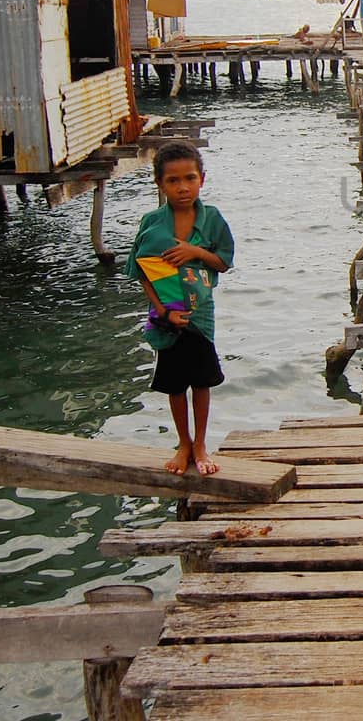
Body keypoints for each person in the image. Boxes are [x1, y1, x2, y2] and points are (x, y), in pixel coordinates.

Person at [126, 142, 236, 477]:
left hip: (200, 315)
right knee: (175, 384)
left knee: (201, 382)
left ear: (202, 179)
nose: (182, 187)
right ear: (159, 184)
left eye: (189, 178)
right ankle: (183, 443)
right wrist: (162, 312)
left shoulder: (212, 219)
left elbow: (224, 262)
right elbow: (140, 271)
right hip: (166, 316)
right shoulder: (152, 223)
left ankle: (201, 443)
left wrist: (195, 252)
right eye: (173, 180)